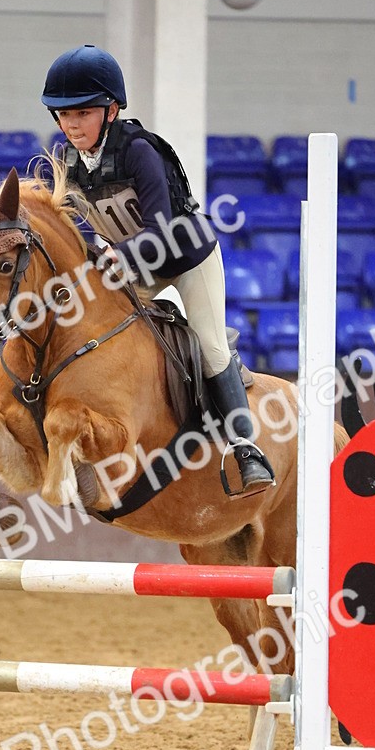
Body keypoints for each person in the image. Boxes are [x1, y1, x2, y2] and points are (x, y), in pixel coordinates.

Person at [41, 43, 274, 496]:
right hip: (131, 266)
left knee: (208, 346)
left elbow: (161, 231)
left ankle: (246, 448)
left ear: (111, 110)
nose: (70, 123)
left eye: (83, 112)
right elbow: (71, 227)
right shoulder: (67, 160)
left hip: (186, 258)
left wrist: (119, 258)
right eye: (62, 114)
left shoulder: (140, 150)